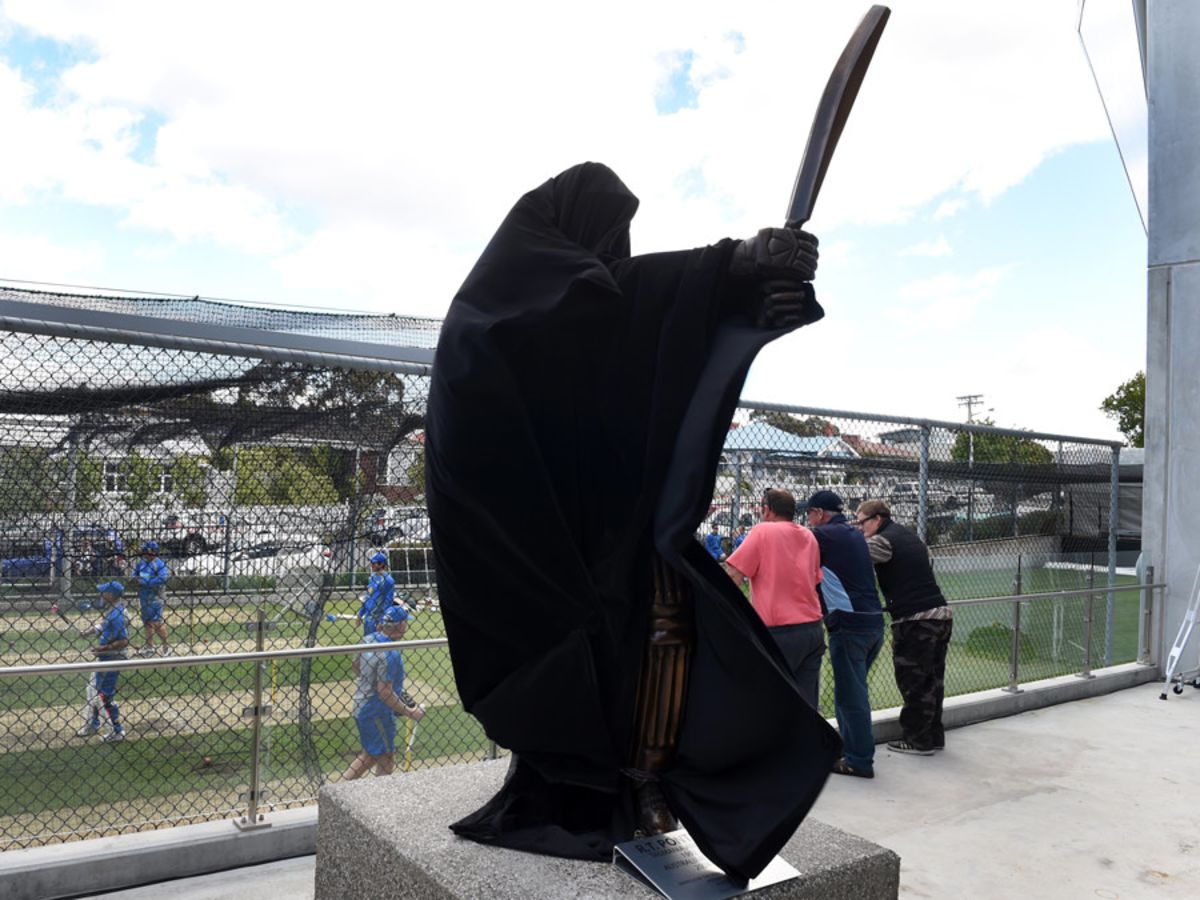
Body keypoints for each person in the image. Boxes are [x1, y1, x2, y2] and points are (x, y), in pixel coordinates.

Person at [426, 162, 839, 881]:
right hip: (529, 544)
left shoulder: (555, 313)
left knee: (659, 627)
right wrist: (733, 264)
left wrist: (743, 299)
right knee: (587, 656)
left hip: (587, 525)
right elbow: (610, 318)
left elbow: (624, 352)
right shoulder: (496, 317)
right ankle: (589, 783)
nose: (613, 255)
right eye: (606, 235)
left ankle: (642, 781)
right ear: (558, 235)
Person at [855, 499, 954, 755]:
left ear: (876, 519)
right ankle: (934, 736)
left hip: (915, 619)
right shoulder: (909, 537)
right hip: (940, 615)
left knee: (914, 682)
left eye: (861, 522)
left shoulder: (882, 541)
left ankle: (918, 741)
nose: (859, 527)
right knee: (933, 680)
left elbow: (854, 555)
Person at [804, 490, 885, 779]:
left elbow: (792, 540)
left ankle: (859, 760)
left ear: (819, 514)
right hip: (872, 623)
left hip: (850, 625)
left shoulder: (823, 536)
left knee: (852, 697)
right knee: (849, 692)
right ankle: (851, 750)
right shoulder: (852, 534)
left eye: (810, 514)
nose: (808, 521)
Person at [725, 488, 825, 708]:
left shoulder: (763, 531)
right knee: (806, 705)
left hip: (779, 631)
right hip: (811, 628)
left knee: (768, 702)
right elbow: (816, 578)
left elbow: (733, 574)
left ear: (767, 510)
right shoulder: (808, 535)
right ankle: (805, 742)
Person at [342, 605, 426, 780]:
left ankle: (337, 790)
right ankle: (375, 796)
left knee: (371, 755)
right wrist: (410, 712)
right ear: (401, 625)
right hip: (376, 711)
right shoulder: (392, 653)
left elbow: (356, 667)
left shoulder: (368, 639)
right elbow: (385, 692)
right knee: (386, 758)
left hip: (361, 703)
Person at [75, 580, 130, 743]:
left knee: (104, 695)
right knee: (92, 690)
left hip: (112, 658)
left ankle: (117, 730)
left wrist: (102, 649)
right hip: (106, 657)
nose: (101, 595)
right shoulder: (114, 610)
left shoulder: (117, 615)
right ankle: (93, 723)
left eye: (104, 592)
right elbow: (104, 626)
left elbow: (124, 641)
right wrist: (88, 632)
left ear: (111, 595)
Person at [132, 541, 170, 656]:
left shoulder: (159, 565)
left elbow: (162, 579)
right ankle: (150, 647)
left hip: (155, 597)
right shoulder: (142, 563)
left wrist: (145, 582)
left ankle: (166, 647)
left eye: (147, 551)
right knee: (147, 622)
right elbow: (135, 574)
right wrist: (135, 579)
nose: (145, 554)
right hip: (144, 596)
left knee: (156, 622)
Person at [356, 551, 397, 637]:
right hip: (368, 618)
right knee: (367, 645)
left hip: (378, 619)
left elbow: (388, 603)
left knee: (377, 646)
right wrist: (360, 614)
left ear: (381, 564)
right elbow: (367, 597)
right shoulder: (372, 577)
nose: (371, 565)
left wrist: (382, 622)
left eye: (374, 563)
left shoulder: (388, 580)